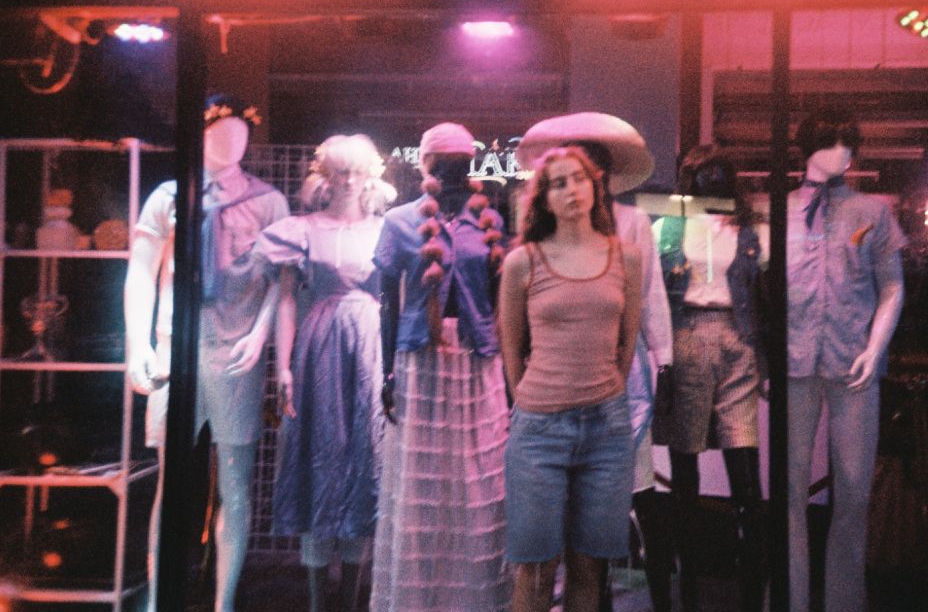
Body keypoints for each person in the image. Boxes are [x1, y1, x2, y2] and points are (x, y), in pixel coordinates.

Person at [124, 93, 289, 612]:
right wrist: (138, 343)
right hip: (177, 349)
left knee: (236, 482)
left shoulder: (268, 202)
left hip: (236, 350)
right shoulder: (170, 196)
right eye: (220, 130)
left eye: (241, 129)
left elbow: (281, 284)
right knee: (170, 483)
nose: (231, 139)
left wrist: (260, 334)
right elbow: (141, 272)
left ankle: (225, 601)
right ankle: (157, 596)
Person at [514, 112, 674, 612]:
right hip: (550, 391)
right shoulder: (536, 240)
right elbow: (516, 327)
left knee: (622, 506)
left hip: (616, 386)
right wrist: (525, 395)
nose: (581, 182)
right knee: (542, 540)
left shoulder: (632, 225)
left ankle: (653, 596)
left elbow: (647, 299)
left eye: (590, 171)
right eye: (569, 173)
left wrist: (655, 360)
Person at [370, 122, 511, 612]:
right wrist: (387, 372)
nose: (453, 170)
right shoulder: (399, 222)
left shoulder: (489, 221)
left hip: (476, 362)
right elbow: (388, 301)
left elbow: (500, 304)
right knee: (422, 489)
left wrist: (510, 378)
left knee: (478, 486)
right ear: (425, 165)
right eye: (444, 161)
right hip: (420, 360)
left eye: (462, 161)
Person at [497, 146, 642, 612]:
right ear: (543, 199)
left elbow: (628, 340)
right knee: (535, 571)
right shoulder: (524, 261)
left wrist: (607, 392)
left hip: (607, 429)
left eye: (577, 178)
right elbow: (511, 348)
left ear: (594, 184)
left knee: (589, 570)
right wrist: (531, 401)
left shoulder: (628, 257)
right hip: (540, 430)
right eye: (558, 183)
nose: (571, 189)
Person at [257, 135, 395, 612]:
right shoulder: (302, 229)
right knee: (316, 456)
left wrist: (396, 365)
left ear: (370, 175)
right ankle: (317, 603)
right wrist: (284, 366)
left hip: (370, 348)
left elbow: (395, 300)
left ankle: (355, 598)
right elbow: (288, 298)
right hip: (317, 348)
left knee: (365, 456)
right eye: (340, 172)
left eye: (356, 172)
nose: (349, 181)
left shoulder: (385, 230)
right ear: (326, 176)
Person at [786, 107, 906, 612]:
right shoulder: (780, 210)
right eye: (831, 141)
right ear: (808, 145)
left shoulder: (873, 212)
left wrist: (875, 349)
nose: (842, 152)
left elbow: (893, 287)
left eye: (848, 143)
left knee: (854, 491)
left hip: (853, 363)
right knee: (789, 492)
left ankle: (844, 602)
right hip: (793, 363)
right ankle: (789, 597)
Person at [652, 144, 766, 612]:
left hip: (738, 337)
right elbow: (653, 295)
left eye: (718, 172)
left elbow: (767, 293)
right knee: (686, 466)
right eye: (701, 173)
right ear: (689, 179)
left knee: (745, 462)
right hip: (688, 335)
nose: (710, 180)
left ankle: (752, 588)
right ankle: (691, 584)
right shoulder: (669, 227)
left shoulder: (752, 230)